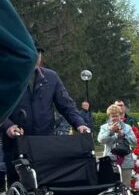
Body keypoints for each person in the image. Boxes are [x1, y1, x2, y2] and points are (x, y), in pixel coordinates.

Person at [2, 43, 91, 187]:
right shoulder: (7, 77)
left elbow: (67, 106)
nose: (35, 57)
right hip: (17, 143)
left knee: (51, 187)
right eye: (31, 53)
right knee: (18, 187)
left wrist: (80, 124)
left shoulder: (51, 77)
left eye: (38, 53)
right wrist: (9, 125)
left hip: (44, 143)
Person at [98, 103, 138, 186]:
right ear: (109, 116)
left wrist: (123, 135)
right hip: (110, 160)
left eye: (116, 116)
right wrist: (110, 131)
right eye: (112, 116)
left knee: (125, 186)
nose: (115, 118)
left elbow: (134, 142)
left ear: (120, 116)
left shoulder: (127, 127)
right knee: (110, 186)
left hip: (125, 161)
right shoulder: (104, 127)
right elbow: (100, 140)